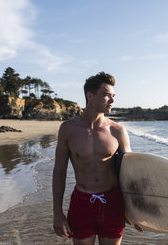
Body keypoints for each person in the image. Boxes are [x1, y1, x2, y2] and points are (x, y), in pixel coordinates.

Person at [53, 72, 131, 245]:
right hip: (82, 202)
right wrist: (57, 213)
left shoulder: (117, 131)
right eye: (106, 95)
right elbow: (59, 171)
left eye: (113, 96)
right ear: (90, 96)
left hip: (113, 202)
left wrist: (137, 211)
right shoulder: (68, 129)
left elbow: (130, 174)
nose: (112, 100)